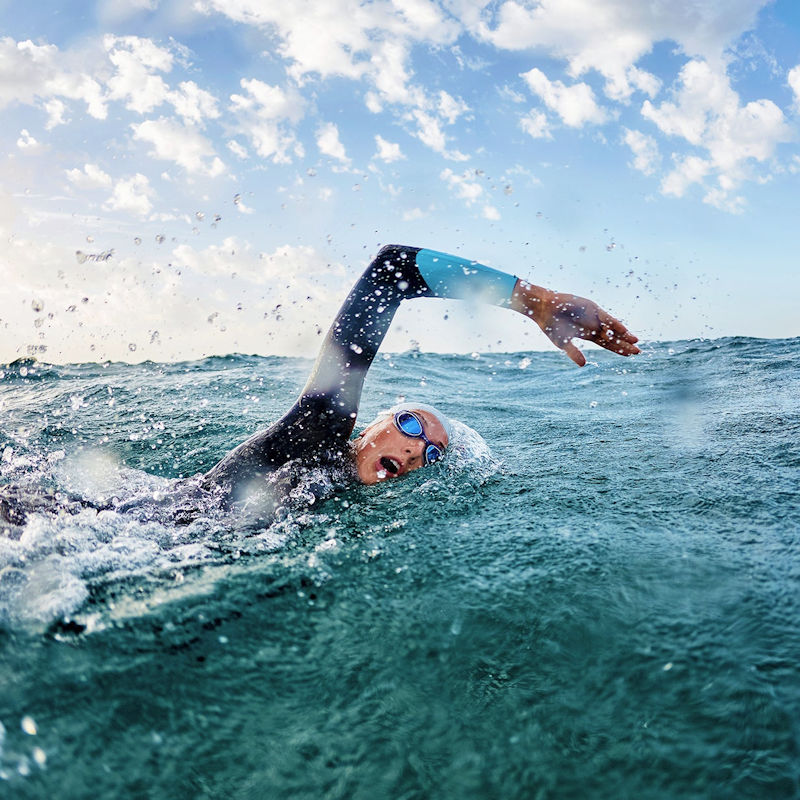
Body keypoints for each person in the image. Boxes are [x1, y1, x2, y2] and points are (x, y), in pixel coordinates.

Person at [201, 244, 639, 503]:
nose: (415, 453)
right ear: (368, 428)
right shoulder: (317, 435)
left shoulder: (347, 501)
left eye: (431, 455)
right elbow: (391, 269)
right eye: (410, 425)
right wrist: (535, 301)